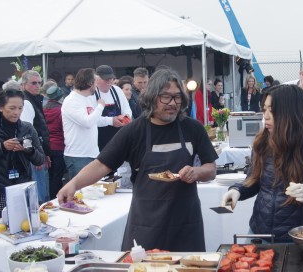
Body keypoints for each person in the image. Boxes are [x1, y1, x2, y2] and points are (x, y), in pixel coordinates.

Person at [57, 67, 218, 252]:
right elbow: (101, 165)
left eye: (177, 97)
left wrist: (197, 172)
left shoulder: (193, 128)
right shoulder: (134, 131)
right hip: (146, 224)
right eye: (165, 96)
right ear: (151, 97)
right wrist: (73, 184)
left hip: (185, 223)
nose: (173, 103)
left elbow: (211, 169)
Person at [220, 84, 303, 243]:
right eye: (264, 109)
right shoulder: (262, 143)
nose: (265, 116)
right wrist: (237, 190)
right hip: (258, 233)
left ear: (290, 113)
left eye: (271, 110)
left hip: (295, 238)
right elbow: (254, 180)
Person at [61, 68, 105, 179]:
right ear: (90, 83)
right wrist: (100, 106)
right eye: (95, 82)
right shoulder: (71, 100)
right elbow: (87, 122)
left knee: (92, 192)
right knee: (80, 193)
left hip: (92, 153)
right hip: (77, 156)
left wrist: (112, 120)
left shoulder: (89, 98)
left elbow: (95, 120)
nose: (97, 85)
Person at [21, 70, 51, 203]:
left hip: (39, 150)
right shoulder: (26, 102)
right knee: (39, 196)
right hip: (34, 154)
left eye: (39, 83)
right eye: (33, 83)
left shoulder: (34, 99)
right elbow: (26, 132)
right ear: (23, 85)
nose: (37, 85)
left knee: (42, 192)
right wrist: (35, 157)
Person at [94, 65, 132, 151]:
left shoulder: (117, 90)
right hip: (98, 141)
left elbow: (126, 109)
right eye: (106, 79)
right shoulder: (92, 93)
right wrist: (111, 121)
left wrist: (126, 117)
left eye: (111, 79)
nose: (110, 82)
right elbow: (92, 120)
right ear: (97, 79)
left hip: (117, 139)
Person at [43, 84, 67, 199]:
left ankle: (49, 198)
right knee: (57, 176)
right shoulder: (61, 110)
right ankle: (56, 198)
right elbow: (64, 129)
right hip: (59, 146)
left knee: (49, 176)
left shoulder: (43, 109)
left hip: (47, 147)